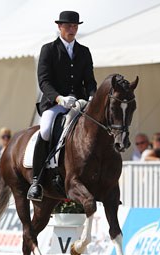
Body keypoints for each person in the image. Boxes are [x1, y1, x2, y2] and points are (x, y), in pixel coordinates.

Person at [27, 11, 97, 201]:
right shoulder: (49, 49)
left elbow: (90, 81)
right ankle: (37, 180)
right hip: (56, 103)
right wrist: (59, 98)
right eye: (68, 26)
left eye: (75, 26)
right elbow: (44, 81)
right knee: (46, 130)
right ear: (60, 27)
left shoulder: (84, 51)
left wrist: (92, 97)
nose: (72, 29)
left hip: (79, 103)